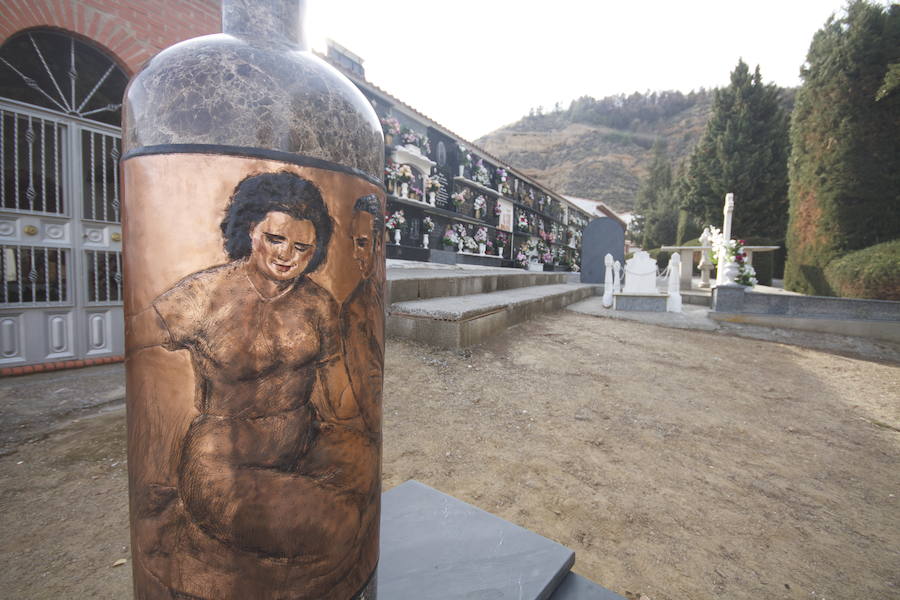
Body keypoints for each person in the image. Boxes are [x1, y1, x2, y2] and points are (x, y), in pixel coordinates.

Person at [126, 171, 378, 598]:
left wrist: (360, 434)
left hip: (305, 441)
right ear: (249, 231)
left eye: (302, 248)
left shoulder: (319, 303)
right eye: (275, 239)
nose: (287, 257)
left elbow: (338, 396)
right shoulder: (205, 293)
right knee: (339, 524)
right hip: (225, 464)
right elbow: (135, 331)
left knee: (368, 480)